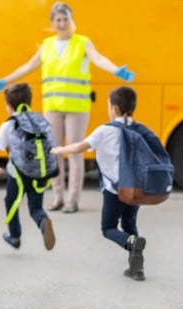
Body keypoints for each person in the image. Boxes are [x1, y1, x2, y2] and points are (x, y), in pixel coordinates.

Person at [0, 1, 135, 214]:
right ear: (52, 22)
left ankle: (72, 200)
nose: (61, 23)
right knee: (53, 151)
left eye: (65, 19)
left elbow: (98, 59)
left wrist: (115, 70)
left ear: (71, 21)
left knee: (75, 152)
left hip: (76, 106)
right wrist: (5, 80)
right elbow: (28, 66)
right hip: (53, 106)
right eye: (57, 19)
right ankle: (57, 196)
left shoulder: (82, 43)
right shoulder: (47, 45)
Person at [51, 86, 146, 280]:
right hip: (135, 189)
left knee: (109, 228)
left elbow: (79, 147)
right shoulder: (139, 129)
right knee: (129, 224)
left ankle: (131, 242)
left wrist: (59, 150)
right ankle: (137, 269)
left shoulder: (105, 130)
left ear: (115, 109)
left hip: (114, 190)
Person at [0, 83, 56, 251]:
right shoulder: (39, 121)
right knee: (35, 208)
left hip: (17, 174)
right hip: (39, 172)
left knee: (11, 202)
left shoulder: (9, 124)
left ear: (9, 106)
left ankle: (15, 236)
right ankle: (42, 222)